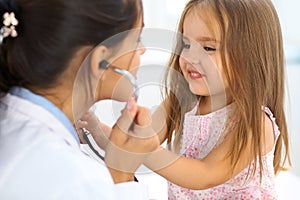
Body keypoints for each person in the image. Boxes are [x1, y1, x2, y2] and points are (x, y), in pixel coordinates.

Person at [79, 0, 290, 199]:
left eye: (208, 48)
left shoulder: (256, 124)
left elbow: (204, 175)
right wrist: (96, 130)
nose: (188, 57)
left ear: (250, 57)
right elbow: (132, 144)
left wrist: (147, 149)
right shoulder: (182, 101)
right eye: (187, 45)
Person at [0, 0, 159, 199]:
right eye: (137, 40)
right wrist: (122, 175)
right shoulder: (73, 179)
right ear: (101, 61)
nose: (142, 50)